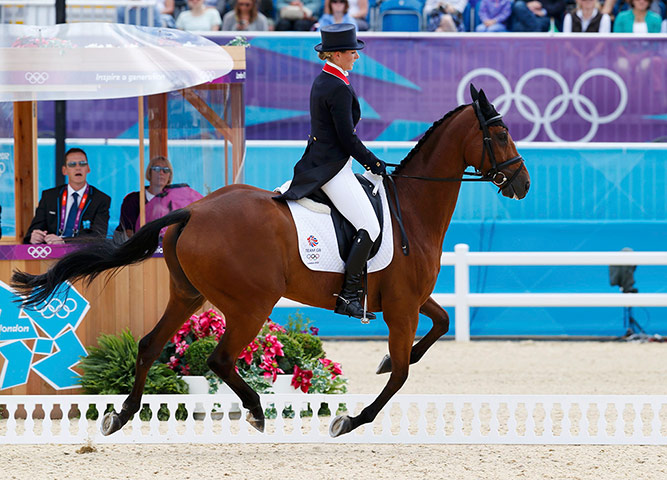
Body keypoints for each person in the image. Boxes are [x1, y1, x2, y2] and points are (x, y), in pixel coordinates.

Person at [274, 24, 386, 320]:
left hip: (323, 160)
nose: (356, 58)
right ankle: (349, 296)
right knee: (370, 227)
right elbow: (347, 139)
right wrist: (374, 163)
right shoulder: (335, 86)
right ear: (337, 54)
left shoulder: (328, 79)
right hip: (333, 169)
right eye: (352, 53)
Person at [24, 148, 111, 245]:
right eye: (72, 164)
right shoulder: (49, 196)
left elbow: (98, 237)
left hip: (83, 254)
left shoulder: (101, 199)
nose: (78, 168)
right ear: (64, 170)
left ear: (88, 168)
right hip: (50, 253)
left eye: (82, 164)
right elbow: (33, 231)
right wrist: (34, 238)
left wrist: (64, 241)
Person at [115, 155, 173, 241]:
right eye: (156, 169)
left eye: (166, 170)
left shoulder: (173, 201)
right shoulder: (132, 200)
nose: (161, 172)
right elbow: (128, 232)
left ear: (169, 176)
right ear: (149, 173)